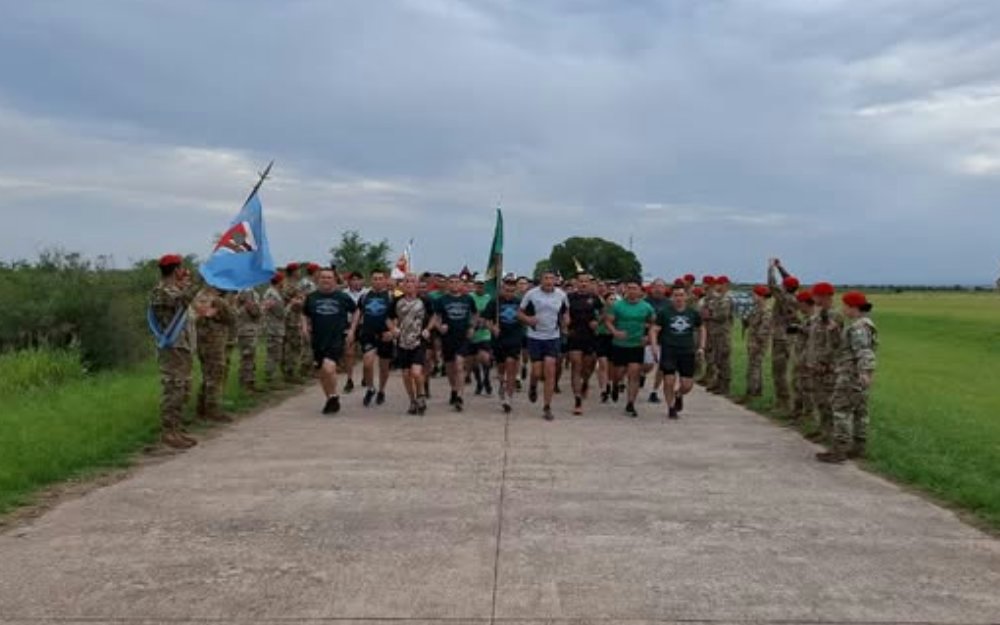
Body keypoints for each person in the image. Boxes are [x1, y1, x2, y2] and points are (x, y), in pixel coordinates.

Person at [817, 291, 877, 463]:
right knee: (860, 412)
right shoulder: (864, 324)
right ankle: (858, 448)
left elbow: (864, 351)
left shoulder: (858, 327)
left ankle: (839, 450)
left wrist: (865, 371)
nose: (843, 309)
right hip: (856, 375)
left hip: (850, 375)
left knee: (841, 410)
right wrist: (835, 331)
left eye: (845, 305)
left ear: (853, 307)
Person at [149, 254, 200, 449]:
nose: (183, 271)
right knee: (173, 388)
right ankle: (168, 432)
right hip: (172, 347)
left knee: (182, 388)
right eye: (181, 268)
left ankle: (176, 429)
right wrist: (201, 279)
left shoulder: (174, 289)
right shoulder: (161, 291)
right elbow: (183, 300)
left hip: (182, 346)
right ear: (175, 269)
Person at [302, 268, 359, 415]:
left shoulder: (342, 297)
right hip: (318, 339)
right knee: (323, 372)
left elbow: (356, 311)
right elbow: (304, 314)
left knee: (329, 368)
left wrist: (352, 330)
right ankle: (330, 399)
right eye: (323, 277)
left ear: (334, 280)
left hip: (336, 338)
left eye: (329, 277)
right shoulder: (312, 297)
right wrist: (304, 327)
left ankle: (333, 395)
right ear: (318, 280)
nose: (326, 280)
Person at [518, 270, 569, 421]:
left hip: (553, 337)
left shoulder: (561, 295)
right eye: (545, 278)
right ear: (541, 280)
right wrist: (528, 319)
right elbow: (519, 313)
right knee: (537, 372)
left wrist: (566, 322)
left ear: (555, 280)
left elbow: (565, 312)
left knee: (550, 371)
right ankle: (533, 385)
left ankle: (547, 407)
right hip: (535, 336)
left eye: (551, 278)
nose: (548, 281)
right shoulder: (531, 294)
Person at [649, 285, 705, 418]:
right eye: (676, 295)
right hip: (669, 349)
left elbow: (702, 328)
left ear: (686, 297)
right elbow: (654, 329)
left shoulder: (692, 313)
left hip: (687, 350)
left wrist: (701, 346)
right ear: (671, 297)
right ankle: (671, 407)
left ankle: (678, 394)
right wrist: (654, 346)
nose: (678, 298)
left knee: (687, 385)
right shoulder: (664, 313)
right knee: (669, 380)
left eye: (681, 295)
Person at [605, 277, 655, 417]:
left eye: (635, 288)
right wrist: (615, 332)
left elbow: (653, 323)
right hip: (620, 344)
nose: (632, 291)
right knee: (618, 372)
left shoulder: (646, 307)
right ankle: (615, 384)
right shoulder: (618, 306)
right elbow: (608, 321)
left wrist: (647, 336)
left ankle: (630, 403)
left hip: (637, 344)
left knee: (634, 373)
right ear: (625, 289)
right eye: (629, 288)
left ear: (640, 291)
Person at [388, 273, 434, 415]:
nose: (409, 284)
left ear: (417, 284)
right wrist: (393, 329)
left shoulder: (424, 301)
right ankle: (412, 401)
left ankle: (421, 395)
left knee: (416, 371)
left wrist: (428, 329)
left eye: (412, 281)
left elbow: (434, 316)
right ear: (402, 284)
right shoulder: (396, 301)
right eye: (406, 281)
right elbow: (388, 318)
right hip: (402, 341)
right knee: (406, 373)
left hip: (419, 340)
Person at [432, 275, 478, 411]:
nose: (454, 284)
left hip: (463, 337)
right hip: (448, 337)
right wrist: (440, 327)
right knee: (450, 367)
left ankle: (460, 396)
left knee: (459, 364)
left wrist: (472, 327)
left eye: (457, 282)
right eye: (451, 282)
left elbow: (475, 314)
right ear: (448, 284)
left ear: (461, 284)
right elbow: (436, 317)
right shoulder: (442, 300)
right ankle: (453, 388)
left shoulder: (468, 299)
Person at [806, 282, 843, 441]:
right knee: (818, 399)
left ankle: (829, 432)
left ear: (824, 296)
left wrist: (824, 362)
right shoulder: (818, 315)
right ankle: (822, 428)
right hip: (815, 363)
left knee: (828, 400)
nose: (813, 298)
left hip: (826, 366)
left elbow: (833, 343)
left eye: (815, 295)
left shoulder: (833, 316)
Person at [195, 286, 236, 424]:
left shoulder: (199, 296)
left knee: (207, 376)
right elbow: (231, 317)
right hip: (214, 343)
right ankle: (213, 411)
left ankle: (201, 409)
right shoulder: (217, 300)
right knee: (215, 375)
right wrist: (228, 303)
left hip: (202, 342)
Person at [485, 277, 525, 414]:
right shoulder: (494, 302)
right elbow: (486, 320)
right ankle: (502, 383)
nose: (509, 293)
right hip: (499, 339)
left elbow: (527, 317)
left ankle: (508, 398)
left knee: (511, 364)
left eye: (512, 291)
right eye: (507, 290)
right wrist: (492, 328)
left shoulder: (520, 302)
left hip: (514, 338)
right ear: (502, 289)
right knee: (501, 367)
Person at [565, 273, 603, 415]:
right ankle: (577, 400)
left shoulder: (595, 298)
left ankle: (586, 382)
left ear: (590, 283)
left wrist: (597, 322)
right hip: (574, 334)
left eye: (586, 282)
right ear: (576, 283)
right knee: (576, 365)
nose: (583, 284)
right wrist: (565, 323)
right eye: (581, 281)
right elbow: (563, 313)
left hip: (590, 336)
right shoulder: (569, 298)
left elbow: (604, 313)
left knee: (587, 368)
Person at [357, 269, 395, 407]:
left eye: (380, 278)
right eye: (375, 278)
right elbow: (358, 313)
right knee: (367, 363)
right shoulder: (364, 296)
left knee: (384, 367)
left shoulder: (391, 297)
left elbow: (396, 316)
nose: (377, 281)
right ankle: (370, 388)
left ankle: (382, 390)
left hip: (385, 335)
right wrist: (352, 330)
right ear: (371, 280)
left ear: (385, 280)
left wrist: (392, 332)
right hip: (368, 334)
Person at [767, 258, 800, 412]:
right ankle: (783, 401)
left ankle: (783, 402)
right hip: (789, 336)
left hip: (781, 337)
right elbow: (789, 280)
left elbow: (772, 285)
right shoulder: (794, 296)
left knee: (779, 372)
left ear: (785, 288)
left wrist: (771, 268)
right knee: (782, 370)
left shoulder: (784, 298)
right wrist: (780, 267)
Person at [739, 285, 772, 403]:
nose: (753, 297)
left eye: (754, 295)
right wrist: (745, 321)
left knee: (754, 368)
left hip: (758, 343)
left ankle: (752, 393)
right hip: (753, 341)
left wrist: (758, 342)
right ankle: (757, 391)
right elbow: (751, 322)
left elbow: (765, 328)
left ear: (761, 296)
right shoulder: (756, 309)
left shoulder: (766, 310)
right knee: (754, 366)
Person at [643, 279, 671, 403]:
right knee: (647, 365)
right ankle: (642, 374)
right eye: (656, 287)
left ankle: (654, 391)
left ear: (665, 289)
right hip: (648, 338)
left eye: (661, 287)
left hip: (664, 338)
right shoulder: (645, 302)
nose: (659, 289)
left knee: (662, 366)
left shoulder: (669, 303)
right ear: (652, 288)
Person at [789, 290, 816, 422]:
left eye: (799, 304)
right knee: (797, 384)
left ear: (806, 303)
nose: (798, 307)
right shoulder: (806, 319)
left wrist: (800, 328)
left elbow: (815, 334)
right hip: (800, 356)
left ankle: (808, 414)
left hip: (808, 358)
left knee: (807, 386)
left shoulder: (815, 319)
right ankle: (798, 411)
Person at [706, 276, 735, 395]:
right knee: (717, 359)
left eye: (718, 284)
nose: (716, 286)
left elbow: (722, 315)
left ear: (724, 285)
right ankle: (719, 383)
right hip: (716, 332)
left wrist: (710, 315)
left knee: (723, 359)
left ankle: (725, 386)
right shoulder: (719, 298)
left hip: (722, 333)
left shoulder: (726, 299)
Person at [341, 271, 369, 393]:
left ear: (363, 281)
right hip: (348, 325)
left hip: (365, 325)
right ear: (349, 281)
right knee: (349, 352)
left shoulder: (368, 293)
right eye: (353, 279)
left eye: (358, 279)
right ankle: (349, 379)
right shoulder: (344, 294)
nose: (356, 282)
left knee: (366, 353)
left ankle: (365, 376)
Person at [469, 280, 495, 396]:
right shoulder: (470, 297)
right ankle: (479, 382)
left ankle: (487, 379)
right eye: (478, 284)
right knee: (474, 361)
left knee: (485, 358)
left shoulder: (489, 298)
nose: (480, 286)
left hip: (485, 333)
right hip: (472, 333)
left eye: (482, 285)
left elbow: (491, 314)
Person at [261, 272, 286, 388]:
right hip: (273, 327)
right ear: (279, 281)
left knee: (275, 352)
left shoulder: (274, 293)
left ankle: (272, 376)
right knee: (273, 353)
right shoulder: (272, 294)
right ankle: (270, 378)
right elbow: (279, 312)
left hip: (275, 327)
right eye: (282, 281)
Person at [281, 269, 306, 384]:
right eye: (298, 270)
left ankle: (290, 371)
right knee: (292, 346)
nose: (299, 272)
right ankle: (289, 372)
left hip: (295, 319)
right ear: (294, 272)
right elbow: (295, 301)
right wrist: (301, 299)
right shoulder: (288, 285)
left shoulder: (294, 285)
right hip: (291, 320)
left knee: (294, 345)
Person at [235, 287, 262, 392]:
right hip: (247, 331)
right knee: (248, 358)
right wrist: (261, 309)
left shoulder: (244, 291)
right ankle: (247, 385)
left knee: (248, 358)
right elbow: (253, 310)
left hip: (246, 330)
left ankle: (247, 383)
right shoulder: (247, 291)